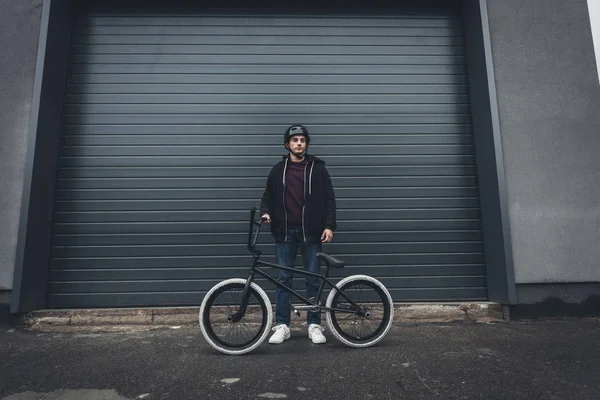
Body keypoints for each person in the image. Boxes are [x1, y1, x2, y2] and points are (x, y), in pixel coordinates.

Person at [260, 124, 337, 345]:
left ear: (306, 144)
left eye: (302, 140)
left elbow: (330, 200)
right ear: (288, 145)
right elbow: (267, 197)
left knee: (313, 279)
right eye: (295, 140)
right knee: (284, 280)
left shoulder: (318, 168)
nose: (299, 143)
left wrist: (329, 226)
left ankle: (314, 324)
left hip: (311, 234)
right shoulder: (277, 170)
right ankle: (283, 325)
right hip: (284, 234)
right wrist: (266, 213)